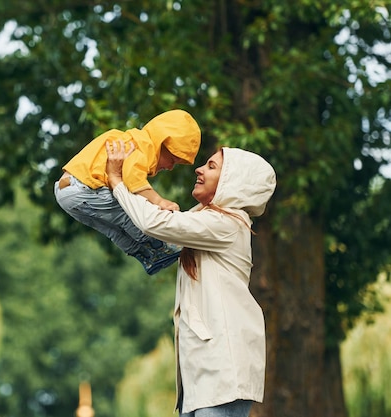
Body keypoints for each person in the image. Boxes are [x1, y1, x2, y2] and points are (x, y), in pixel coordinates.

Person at [105, 140, 276, 417]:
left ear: (233, 182)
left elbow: (154, 223)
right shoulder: (205, 221)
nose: (198, 169)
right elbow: (161, 223)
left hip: (222, 370)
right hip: (204, 374)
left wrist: (117, 181)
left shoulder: (228, 224)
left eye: (211, 166)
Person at [54, 109, 201, 275]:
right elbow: (134, 181)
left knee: (113, 229)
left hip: (64, 192)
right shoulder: (139, 147)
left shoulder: (129, 140)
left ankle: (145, 255)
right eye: (173, 160)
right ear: (161, 142)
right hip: (84, 189)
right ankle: (160, 244)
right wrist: (159, 202)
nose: (170, 167)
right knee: (129, 211)